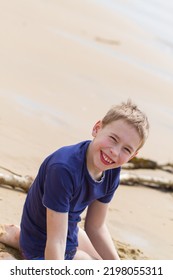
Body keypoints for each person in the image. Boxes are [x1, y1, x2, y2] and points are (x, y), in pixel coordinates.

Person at [0, 100, 149, 260]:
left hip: (68, 229)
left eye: (126, 149)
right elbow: (56, 241)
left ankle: (16, 236)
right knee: (87, 262)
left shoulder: (112, 171)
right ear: (97, 128)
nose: (114, 152)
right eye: (113, 138)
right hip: (43, 243)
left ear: (133, 156)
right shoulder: (63, 168)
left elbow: (96, 227)